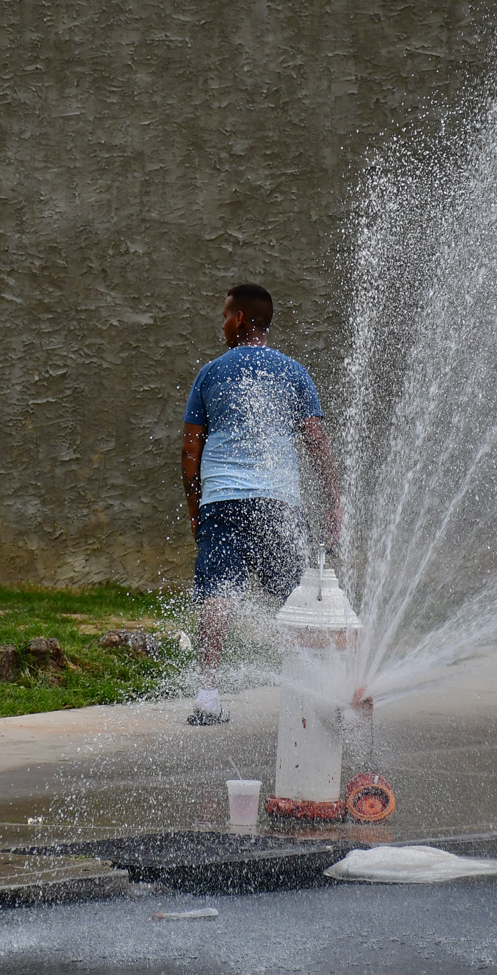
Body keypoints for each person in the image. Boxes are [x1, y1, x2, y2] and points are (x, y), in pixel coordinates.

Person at [180, 283, 341, 726]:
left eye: (227, 315)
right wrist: (334, 501)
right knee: (298, 596)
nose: (223, 323)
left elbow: (190, 452)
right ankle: (324, 691)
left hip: (223, 501)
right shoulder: (293, 372)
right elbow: (316, 442)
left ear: (244, 320)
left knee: (218, 592)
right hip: (278, 504)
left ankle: (208, 696)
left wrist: (196, 508)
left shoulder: (210, 374)